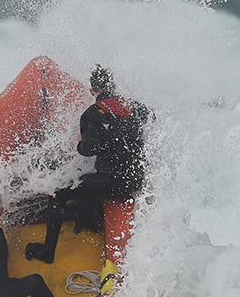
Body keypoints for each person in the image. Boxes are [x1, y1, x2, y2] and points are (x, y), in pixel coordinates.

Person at [25, 64, 149, 264]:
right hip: (135, 179)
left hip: (114, 183)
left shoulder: (92, 113)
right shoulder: (134, 106)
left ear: (92, 91)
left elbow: (89, 149)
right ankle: (93, 220)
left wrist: (79, 145)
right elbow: (150, 118)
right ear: (114, 86)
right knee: (89, 177)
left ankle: (47, 251)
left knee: (60, 193)